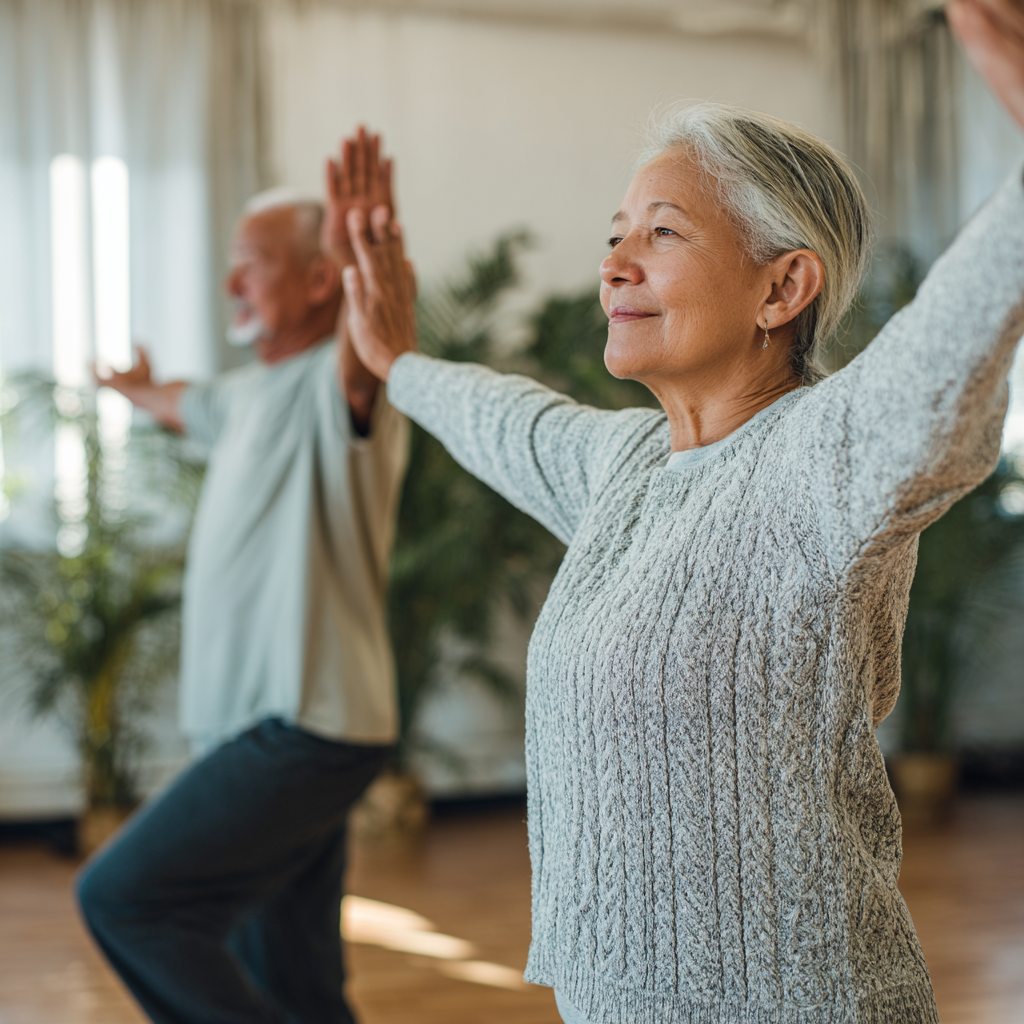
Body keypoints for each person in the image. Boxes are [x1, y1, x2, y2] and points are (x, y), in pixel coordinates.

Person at [327, 2, 1024, 1021]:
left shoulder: (821, 459)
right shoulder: (627, 466)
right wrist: (397, 360)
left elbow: (950, 344)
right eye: (615, 236)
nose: (614, 265)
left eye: (661, 234)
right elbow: (506, 420)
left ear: (782, 286)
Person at [77, 133, 408, 1024]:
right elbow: (182, 401)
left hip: (302, 723)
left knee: (126, 900)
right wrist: (136, 390)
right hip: (261, 730)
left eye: (251, 265)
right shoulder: (245, 395)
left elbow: (370, 347)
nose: (232, 285)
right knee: (298, 983)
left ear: (315, 281)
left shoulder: (337, 381)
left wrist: (369, 264)